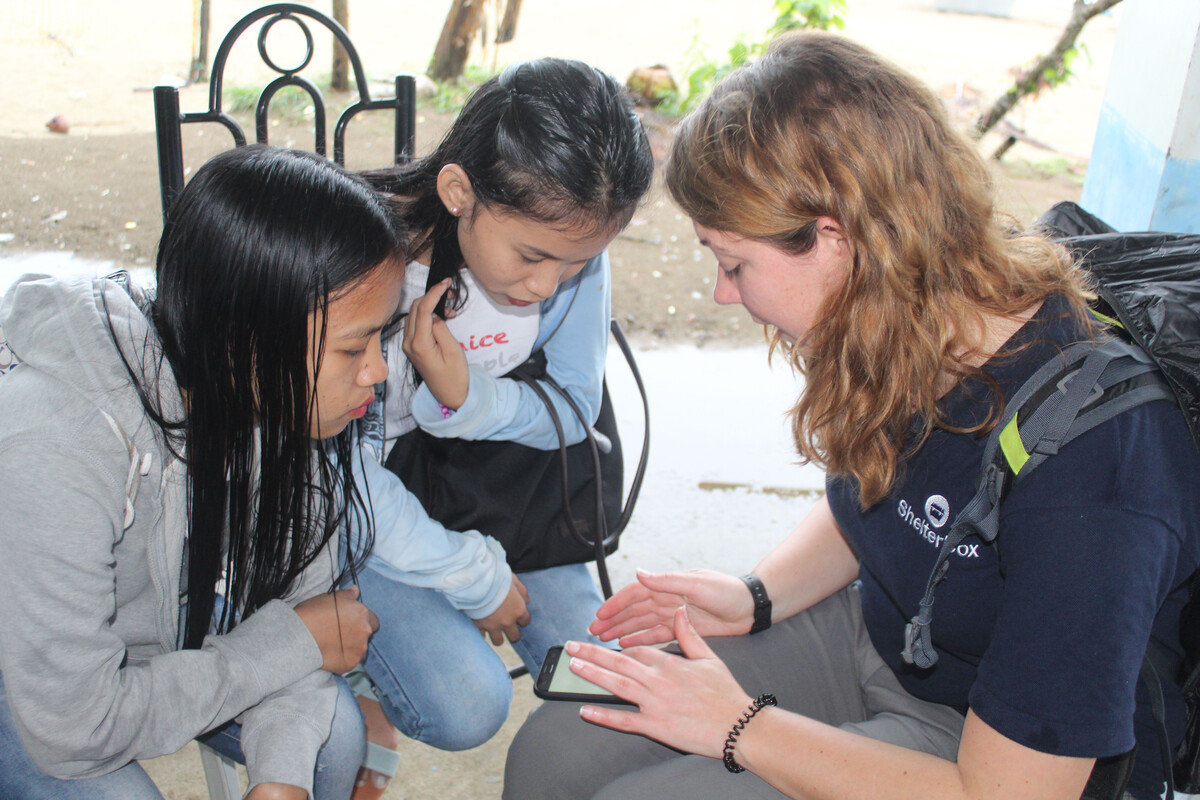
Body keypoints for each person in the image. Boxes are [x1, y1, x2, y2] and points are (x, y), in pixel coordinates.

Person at [502, 31, 1200, 800]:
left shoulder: (1097, 468)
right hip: (881, 633)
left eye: (734, 264)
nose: (721, 295)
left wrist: (738, 728)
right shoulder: (909, 316)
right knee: (559, 745)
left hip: (977, 748)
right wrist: (756, 595)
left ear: (835, 239)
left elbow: (1007, 793)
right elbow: (878, 503)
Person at [0, 145, 400, 800]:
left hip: (157, 641)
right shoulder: (55, 440)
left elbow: (305, 623)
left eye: (380, 337)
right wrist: (281, 647)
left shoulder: (276, 394)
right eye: (354, 347)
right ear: (246, 337)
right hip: (29, 678)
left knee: (331, 742)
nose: (378, 372)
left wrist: (281, 781)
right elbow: (75, 728)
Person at [341, 57, 654, 798]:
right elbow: (327, 468)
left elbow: (575, 408)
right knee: (468, 703)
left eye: (579, 262)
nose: (547, 286)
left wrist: (469, 397)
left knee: (609, 680)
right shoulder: (359, 254)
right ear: (457, 191)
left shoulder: (569, 247)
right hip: (373, 506)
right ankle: (349, 676)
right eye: (534, 256)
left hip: (508, 498)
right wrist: (464, 571)